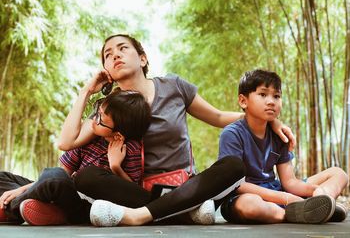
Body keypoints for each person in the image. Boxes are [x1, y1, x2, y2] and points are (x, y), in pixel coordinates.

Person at [61, 34, 296, 227]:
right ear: (107, 70)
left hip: (186, 187)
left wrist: (269, 120)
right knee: (86, 177)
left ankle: (140, 216)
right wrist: (86, 92)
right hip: (138, 191)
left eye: (122, 48)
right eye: (108, 55)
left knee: (234, 166)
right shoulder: (109, 107)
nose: (115, 55)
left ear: (142, 59)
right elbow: (67, 142)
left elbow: (217, 116)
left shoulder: (174, 87)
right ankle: (181, 212)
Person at [0, 89, 151, 225]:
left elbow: (131, 193)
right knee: (4, 177)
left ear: (118, 134)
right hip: (63, 190)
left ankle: (9, 210)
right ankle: (44, 207)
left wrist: (115, 167)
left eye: (101, 120)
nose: (94, 119)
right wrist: (22, 190)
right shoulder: (89, 138)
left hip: (83, 205)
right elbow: (64, 172)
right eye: (98, 112)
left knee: (53, 177)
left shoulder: (130, 149)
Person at [218, 69, 349, 224]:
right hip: (243, 197)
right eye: (263, 94)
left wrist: (316, 190)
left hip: (278, 191)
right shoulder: (232, 134)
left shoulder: (279, 135)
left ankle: (321, 201)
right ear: (243, 101)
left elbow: (290, 182)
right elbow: (237, 185)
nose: (271, 101)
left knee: (338, 173)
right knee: (251, 205)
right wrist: (286, 198)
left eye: (277, 96)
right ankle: (298, 212)